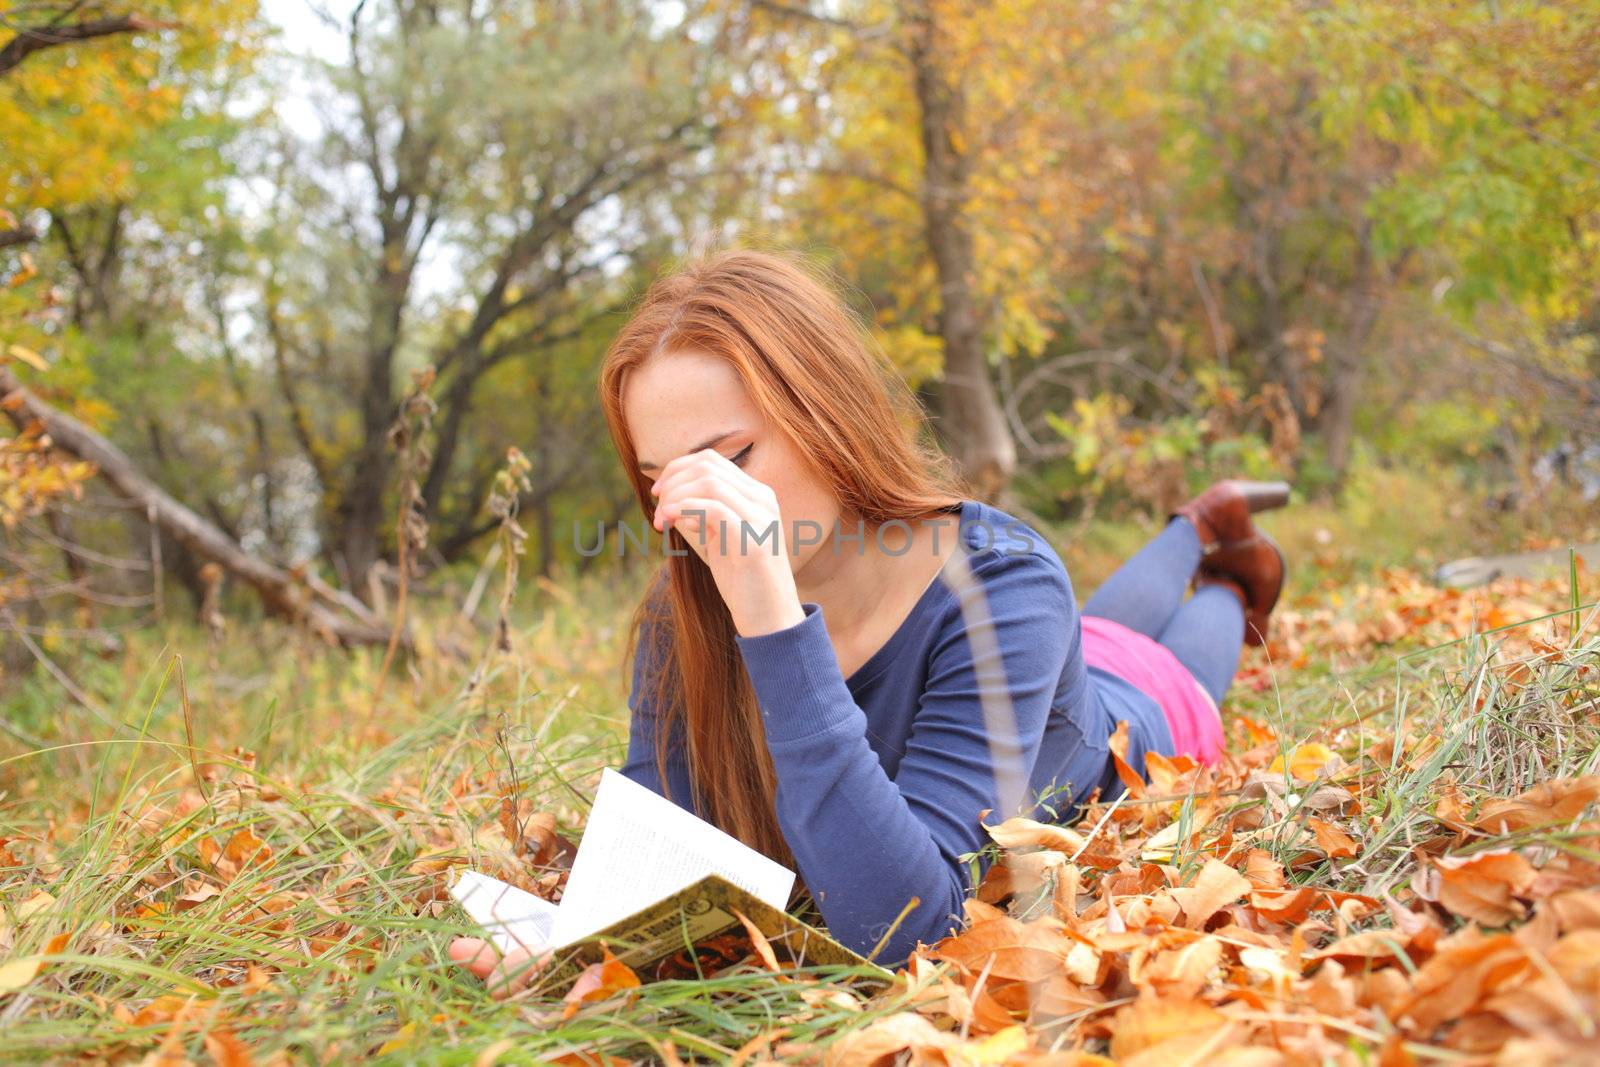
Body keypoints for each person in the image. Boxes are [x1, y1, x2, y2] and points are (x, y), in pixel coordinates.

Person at [449, 246, 1288, 997]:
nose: (698, 511)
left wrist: (774, 620)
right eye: (665, 478)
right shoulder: (685, 612)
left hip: (1129, 719)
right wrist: (574, 940)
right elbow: (662, 818)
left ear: (827, 412)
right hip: (1063, 655)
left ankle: (1215, 563)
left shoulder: (1005, 582)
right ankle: (1201, 523)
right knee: (1107, 629)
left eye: (731, 460)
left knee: (1169, 650)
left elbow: (901, 931)